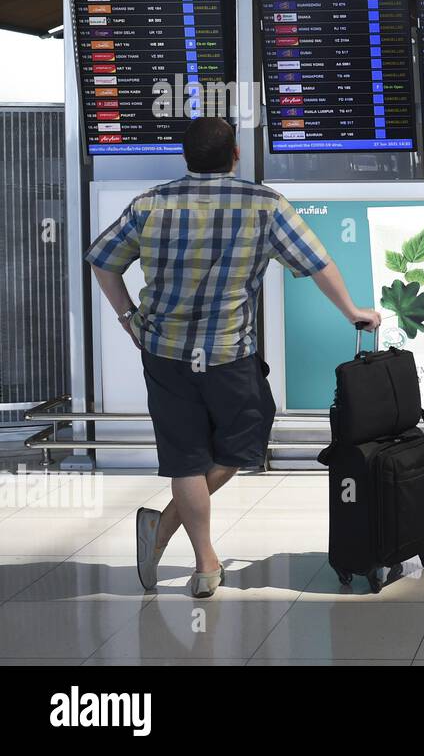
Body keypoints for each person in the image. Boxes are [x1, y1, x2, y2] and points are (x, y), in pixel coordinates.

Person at [85, 117, 380, 598]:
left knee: (184, 458)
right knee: (246, 439)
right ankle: (197, 559)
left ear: (185, 157)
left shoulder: (149, 204)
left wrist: (128, 318)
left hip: (164, 350)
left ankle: (180, 545)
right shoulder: (263, 204)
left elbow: (103, 260)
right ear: (235, 154)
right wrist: (352, 311)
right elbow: (316, 262)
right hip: (228, 352)